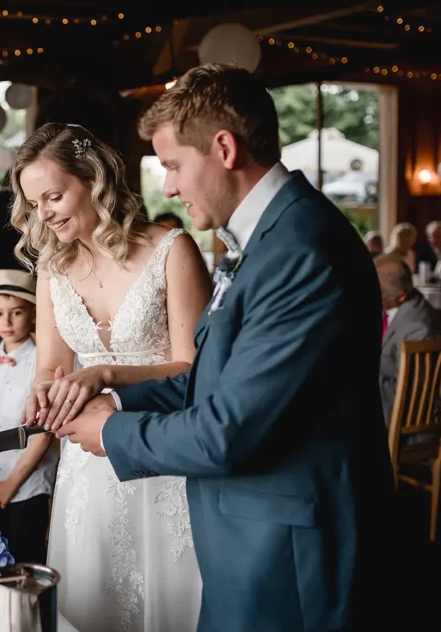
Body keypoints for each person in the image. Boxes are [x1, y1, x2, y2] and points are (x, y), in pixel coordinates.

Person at [46, 65, 396, 632]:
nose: (170, 187)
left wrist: (111, 434)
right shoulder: (265, 239)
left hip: (288, 553)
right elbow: (213, 377)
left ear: (224, 148)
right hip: (246, 542)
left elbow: (229, 430)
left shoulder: (299, 252)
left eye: (175, 165)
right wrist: (115, 397)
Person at [12, 122, 213, 631]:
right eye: (35, 204)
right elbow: (50, 370)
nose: (45, 213)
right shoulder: (52, 270)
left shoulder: (172, 250)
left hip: (164, 458)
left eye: (54, 195)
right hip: (87, 470)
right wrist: (42, 397)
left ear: (94, 179)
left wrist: (103, 374)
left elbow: (196, 370)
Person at [0, 269, 57, 565]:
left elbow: (44, 432)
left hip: (25, 487)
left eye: (16, 312)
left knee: (24, 561)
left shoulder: (42, 363)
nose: (5, 322)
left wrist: (12, 483)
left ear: (32, 314)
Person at [377, 255, 441, 427]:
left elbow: (411, 390)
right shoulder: (393, 303)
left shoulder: (418, 328)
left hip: (407, 416)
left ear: (400, 296)